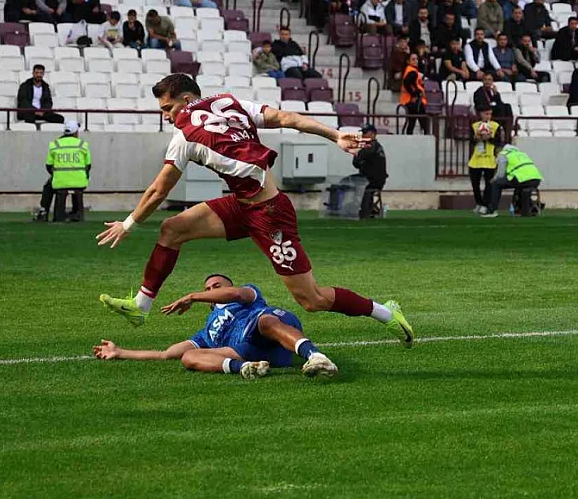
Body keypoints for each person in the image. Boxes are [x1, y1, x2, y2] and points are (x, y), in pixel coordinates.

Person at [95, 75, 414, 347]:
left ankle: (385, 312)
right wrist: (334, 134)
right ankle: (141, 306)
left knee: (311, 299)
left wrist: (128, 224)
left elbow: (158, 190)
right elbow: (287, 118)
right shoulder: (230, 104)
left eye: (168, 107)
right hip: (240, 204)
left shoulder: (185, 136)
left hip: (270, 214)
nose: (166, 115)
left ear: (188, 99)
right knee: (172, 228)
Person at [94, 274, 339, 379]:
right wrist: (120, 352)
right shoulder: (208, 330)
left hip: (269, 330)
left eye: (217, 285)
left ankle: (315, 356)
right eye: (208, 288)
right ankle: (245, 369)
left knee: (265, 321)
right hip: (247, 350)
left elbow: (235, 293)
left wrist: (192, 296)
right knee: (188, 357)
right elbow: (165, 354)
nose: (212, 290)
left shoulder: (248, 294)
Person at [36, 120, 90, 223]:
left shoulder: (55, 144)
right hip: (79, 182)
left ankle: (44, 212)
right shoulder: (83, 145)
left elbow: (48, 166)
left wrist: (57, 175)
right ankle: (76, 213)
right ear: (76, 132)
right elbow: (88, 166)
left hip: (60, 182)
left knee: (48, 187)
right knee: (77, 190)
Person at [478, 143, 543, 217]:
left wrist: (493, 179)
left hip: (522, 179)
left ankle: (492, 210)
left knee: (496, 184)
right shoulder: (521, 153)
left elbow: (500, 174)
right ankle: (520, 209)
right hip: (536, 179)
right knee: (519, 186)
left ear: (497, 151)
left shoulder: (503, 154)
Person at [469, 105, 500, 213]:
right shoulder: (474, 126)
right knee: (475, 184)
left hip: (489, 159)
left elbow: (498, 141)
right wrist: (476, 138)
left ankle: (486, 204)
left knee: (489, 184)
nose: (488, 116)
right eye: (486, 113)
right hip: (476, 159)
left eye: (490, 114)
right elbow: (471, 141)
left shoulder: (495, 126)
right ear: (481, 114)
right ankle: (479, 202)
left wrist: (490, 138)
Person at [352, 123, 388, 219]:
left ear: (372, 134)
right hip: (378, 179)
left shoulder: (370, 147)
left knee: (350, 183)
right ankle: (369, 209)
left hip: (371, 180)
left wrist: (358, 156)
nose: (363, 135)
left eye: (365, 133)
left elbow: (356, 161)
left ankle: (362, 211)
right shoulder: (376, 146)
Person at [399, 52, 428, 135]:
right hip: (412, 101)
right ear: (408, 61)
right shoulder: (412, 71)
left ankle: (410, 137)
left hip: (410, 100)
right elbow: (407, 83)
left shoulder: (410, 70)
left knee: (412, 122)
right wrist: (414, 94)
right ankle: (425, 136)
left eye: (417, 59)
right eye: (413, 59)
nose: (416, 61)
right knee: (422, 121)